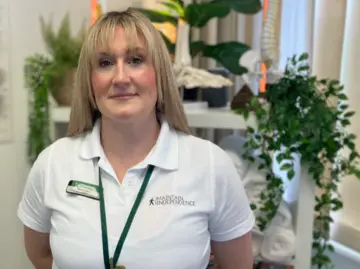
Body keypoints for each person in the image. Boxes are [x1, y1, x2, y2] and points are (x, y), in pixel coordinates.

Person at [17, 8, 254, 269]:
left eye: (136, 60)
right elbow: (40, 256)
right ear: (90, 80)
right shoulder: (53, 163)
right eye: (105, 63)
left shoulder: (210, 165)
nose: (120, 77)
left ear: (160, 73)